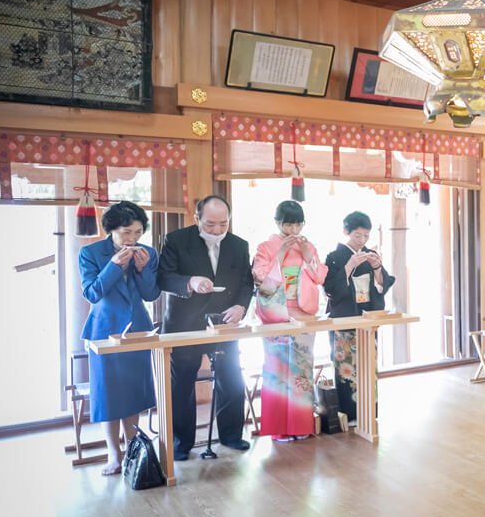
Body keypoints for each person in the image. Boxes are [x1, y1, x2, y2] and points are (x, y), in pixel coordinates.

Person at [157, 195, 253, 460]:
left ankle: (232, 435)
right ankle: (180, 443)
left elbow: (246, 283)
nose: (217, 231)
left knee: (231, 378)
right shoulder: (176, 240)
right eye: (210, 225)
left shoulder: (238, 245)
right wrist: (189, 282)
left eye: (223, 224)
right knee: (181, 385)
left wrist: (241, 307)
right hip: (184, 323)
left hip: (224, 322)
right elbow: (164, 277)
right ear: (196, 218)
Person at [78, 201, 159, 476]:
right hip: (103, 331)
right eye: (126, 232)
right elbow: (92, 293)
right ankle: (114, 453)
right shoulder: (90, 253)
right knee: (107, 395)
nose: (132, 239)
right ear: (111, 229)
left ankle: (134, 449)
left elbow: (150, 294)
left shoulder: (148, 252)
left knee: (134, 393)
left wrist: (143, 269)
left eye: (137, 232)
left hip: (137, 330)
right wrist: (113, 266)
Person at [252, 200, 329, 440]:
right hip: (277, 314)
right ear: (277, 222)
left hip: (303, 313)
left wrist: (307, 255)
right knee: (277, 371)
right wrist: (281, 254)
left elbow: (318, 278)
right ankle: (279, 429)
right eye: (289, 225)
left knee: (302, 370)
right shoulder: (265, 246)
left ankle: (301, 425)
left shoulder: (308, 246)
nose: (294, 230)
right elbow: (261, 277)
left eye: (298, 225)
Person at [322, 211, 395, 424]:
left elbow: (383, 285)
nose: (362, 241)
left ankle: (369, 411)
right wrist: (349, 265)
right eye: (357, 236)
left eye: (365, 236)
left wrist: (376, 267)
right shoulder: (334, 257)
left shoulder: (369, 255)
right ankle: (349, 415)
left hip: (366, 317)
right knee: (346, 368)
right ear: (346, 232)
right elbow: (331, 289)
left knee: (368, 366)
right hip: (344, 318)